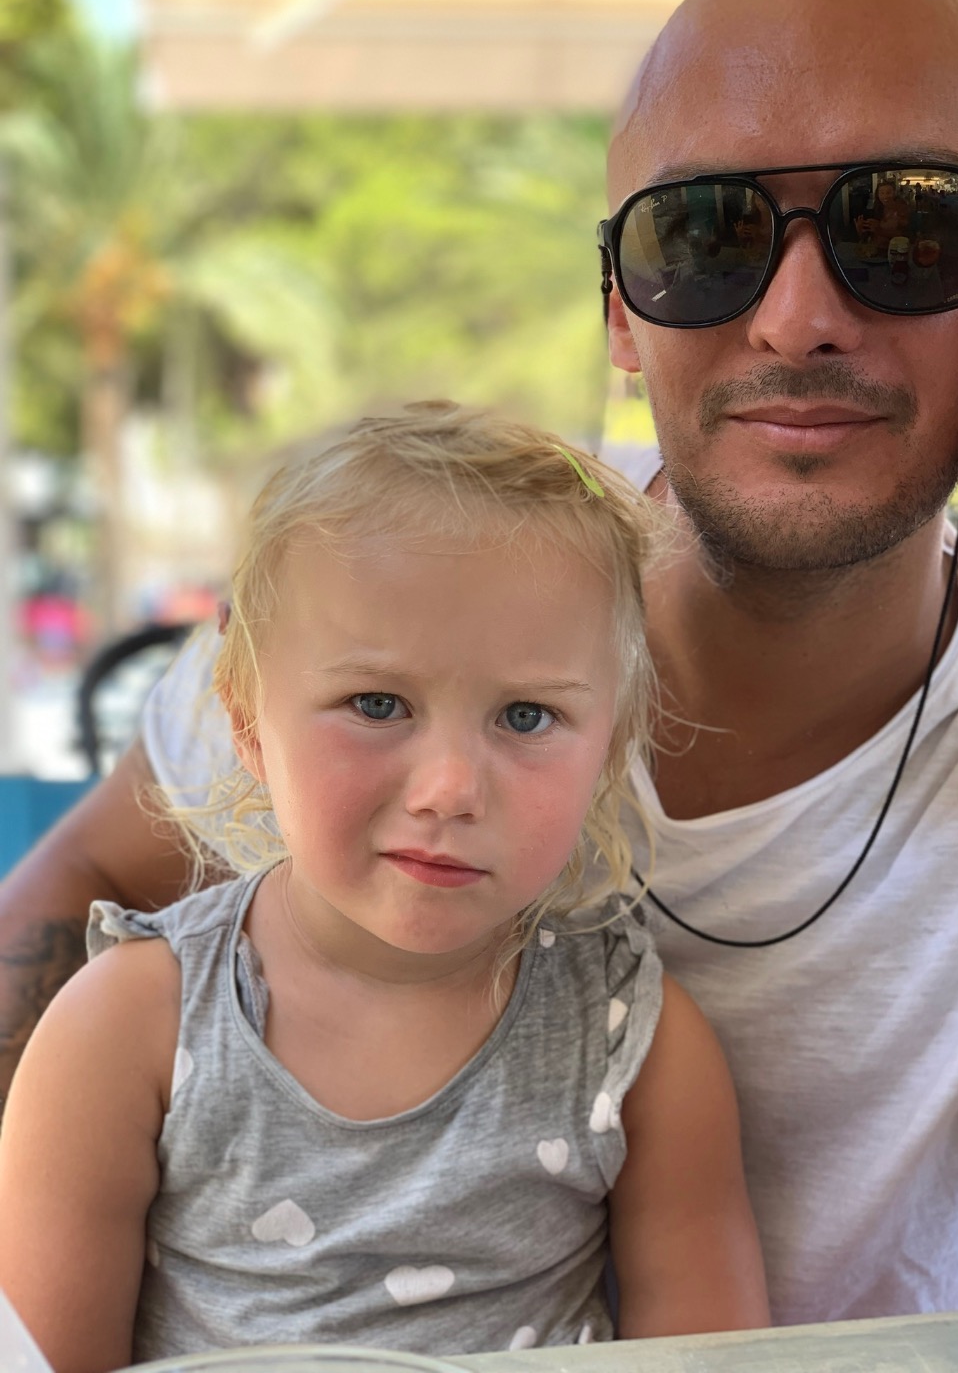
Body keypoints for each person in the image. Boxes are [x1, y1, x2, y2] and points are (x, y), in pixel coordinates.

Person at [2, 0, 958, 1329]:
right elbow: (78, 887)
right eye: (706, 236)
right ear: (622, 311)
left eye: (908, 234)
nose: (801, 319)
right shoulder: (425, 578)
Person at [0, 406, 769, 1373]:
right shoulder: (129, 1026)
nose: (450, 789)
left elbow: (713, 1360)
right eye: (377, 704)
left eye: (527, 716)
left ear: (610, 744)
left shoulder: (631, 1042)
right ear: (247, 719)